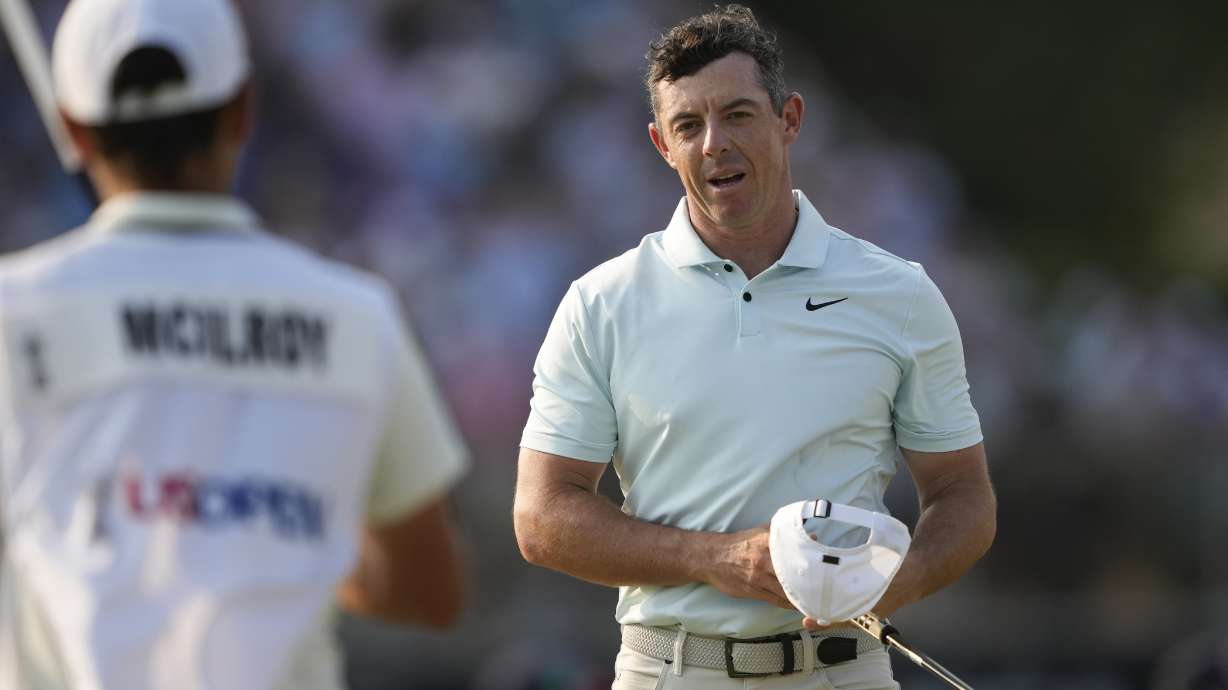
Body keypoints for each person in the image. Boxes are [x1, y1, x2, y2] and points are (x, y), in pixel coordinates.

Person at [513, 5, 995, 689]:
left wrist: (902, 581)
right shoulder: (602, 304)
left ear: (789, 119)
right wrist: (713, 558)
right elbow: (542, 517)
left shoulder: (898, 294)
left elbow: (962, 492)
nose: (714, 143)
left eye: (738, 115)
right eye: (688, 125)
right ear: (662, 145)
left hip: (844, 671)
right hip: (669, 670)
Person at [0, 1, 468, 689]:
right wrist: (275, 544)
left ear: (73, 128)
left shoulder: (12, 310)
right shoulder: (357, 317)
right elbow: (428, 588)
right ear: (243, 110)